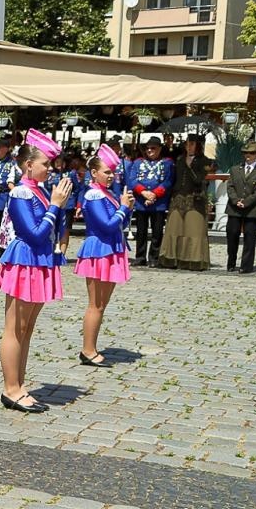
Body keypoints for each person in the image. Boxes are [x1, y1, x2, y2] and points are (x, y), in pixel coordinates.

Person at [0, 129, 71, 413]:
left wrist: (59, 206)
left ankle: (19, 384)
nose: (50, 169)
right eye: (45, 164)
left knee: (27, 329)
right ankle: (10, 389)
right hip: (25, 259)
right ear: (29, 164)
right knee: (15, 327)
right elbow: (34, 233)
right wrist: (55, 206)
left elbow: (54, 230)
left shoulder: (39, 192)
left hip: (39, 261)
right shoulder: (21, 193)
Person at [75, 145, 132, 366]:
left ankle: (91, 346)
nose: (111, 176)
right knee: (95, 304)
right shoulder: (93, 194)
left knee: (101, 305)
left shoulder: (107, 194)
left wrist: (127, 209)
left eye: (112, 172)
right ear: (94, 173)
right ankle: (88, 350)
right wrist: (123, 209)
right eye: (106, 172)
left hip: (110, 249)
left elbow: (120, 224)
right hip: (99, 250)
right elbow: (107, 226)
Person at [160, 135, 211, 271]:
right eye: (187, 144)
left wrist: (191, 167)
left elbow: (200, 180)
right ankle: (172, 259)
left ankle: (193, 260)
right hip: (178, 198)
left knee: (193, 230)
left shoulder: (205, 161)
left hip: (195, 199)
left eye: (192, 144)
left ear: (198, 145)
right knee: (175, 227)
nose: (189, 146)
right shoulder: (179, 159)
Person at [224, 142, 256, 274]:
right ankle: (231, 262)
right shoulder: (235, 169)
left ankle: (246, 265)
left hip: (252, 209)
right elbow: (230, 187)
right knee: (232, 235)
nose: (247, 156)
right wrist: (236, 200)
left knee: (250, 238)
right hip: (234, 208)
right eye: (245, 153)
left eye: (251, 153)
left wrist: (246, 202)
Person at [124, 136, 173, 266]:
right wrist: (144, 192)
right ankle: (140, 257)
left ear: (160, 149)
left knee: (157, 232)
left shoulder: (167, 163)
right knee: (141, 231)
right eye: (148, 148)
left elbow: (168, 181)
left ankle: (154, 258)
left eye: (153, 148)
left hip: (158, 204)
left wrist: (154, 195)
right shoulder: (138, 162)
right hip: (141, 203)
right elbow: (132, 180)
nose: (150, 151)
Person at [54, 154, 83, 257]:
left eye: (61, 162)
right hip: (53, 204)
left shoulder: (71, 174)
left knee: (65, 229)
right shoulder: (51, 174)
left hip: (67, 205)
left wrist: (77, 203)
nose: (59, 164)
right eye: (56, 162)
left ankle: (62, 253)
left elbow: (78, 188)